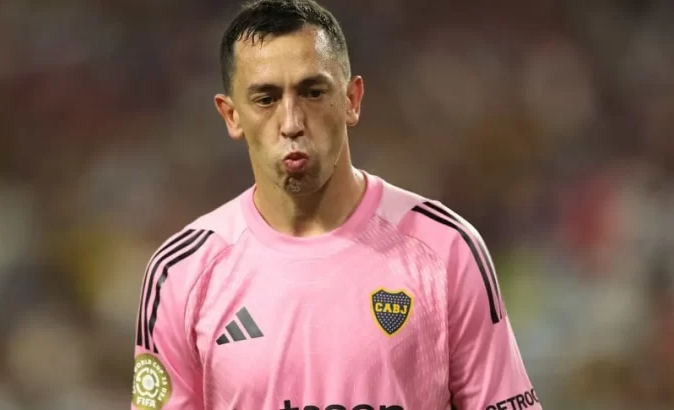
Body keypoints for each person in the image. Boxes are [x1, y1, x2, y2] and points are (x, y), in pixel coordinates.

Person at [131, 0, 541, 409]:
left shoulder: (446, 249)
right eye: (266, 99)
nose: (292, 123)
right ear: (231, 115)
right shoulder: (181, 274)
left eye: (313, 92)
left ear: (351, 99)